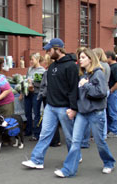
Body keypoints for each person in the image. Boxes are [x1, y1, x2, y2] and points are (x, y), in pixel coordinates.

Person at [54, 48, 115, 178]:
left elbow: (102, 93)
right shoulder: (84, 75)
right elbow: (80, 96)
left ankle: (109, 162)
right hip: (82, 113)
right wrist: (74, 109)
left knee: (99, 142)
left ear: (90, 59)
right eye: (79, 58)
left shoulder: (98, 73)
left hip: (95, 113)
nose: (80, 60)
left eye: (83, 57)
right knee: (75, 141)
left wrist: (86, 85)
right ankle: (68, 170)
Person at [21, 38, 79, 169]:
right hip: (51, 106)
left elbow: (73, 89)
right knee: (45, 134)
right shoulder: (52, 66)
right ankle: (37, 160)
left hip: (65, 107)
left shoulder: (71, 66)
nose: (47, 52)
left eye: (49, 50)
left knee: (70, 136)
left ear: (58, 49)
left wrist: (73, 108)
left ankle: (75, 156)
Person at [19, 53, 45, 141]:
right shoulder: (30, 69)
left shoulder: (42, 70)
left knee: (36, 113)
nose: (30, 61)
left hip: (36, 94)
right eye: (30, 60)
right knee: (27, 113)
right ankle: (28, 130)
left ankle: (37, 134)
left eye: (32, 59)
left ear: (37, 60)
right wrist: (22, 93)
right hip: (27, 94)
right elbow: (25, 81)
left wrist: (33, 84)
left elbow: (42, 84)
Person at [38, 54, 61, 147]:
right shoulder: (55, 71)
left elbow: (46, 85)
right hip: (55, 97)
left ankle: (54, 140)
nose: (43, 62)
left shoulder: (48, 72)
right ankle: (56, 140)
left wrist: (42, 94)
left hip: (48, 97)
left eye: (45, 60)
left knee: (50, 120)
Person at [93, 48, 111, 140]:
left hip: (101, 90)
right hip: (106, 89)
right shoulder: (107, 65)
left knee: (100, 113)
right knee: (103, 112)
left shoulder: (100, 66)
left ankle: (101, 135)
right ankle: (103, 134)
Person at [105, 51, 117, 138]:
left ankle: (114, 130)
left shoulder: (115, 67)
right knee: (109, 112)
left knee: (113, 112)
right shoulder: (112, 66)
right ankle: (110, 129)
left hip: (114, 92)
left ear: (110, 58)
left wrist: (111, 90)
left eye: (106, 57)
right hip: (112, 92)